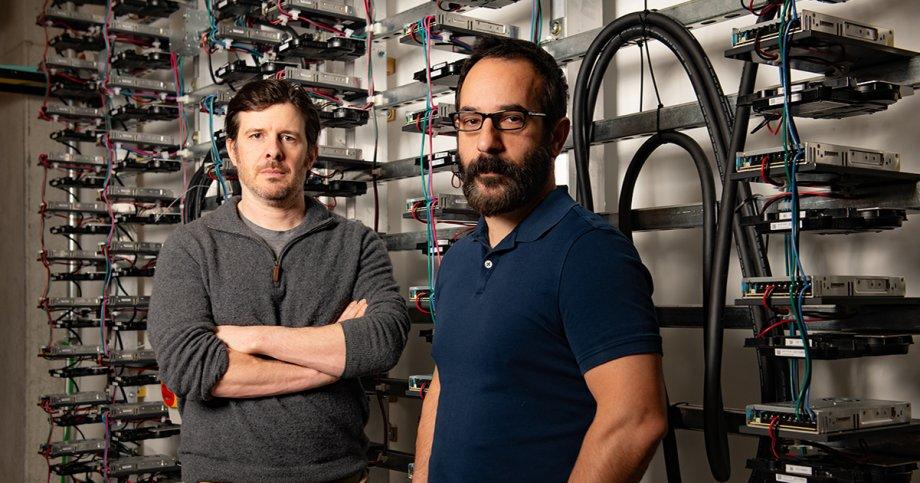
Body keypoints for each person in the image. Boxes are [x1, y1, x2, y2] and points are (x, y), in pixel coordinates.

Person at [413, 38, 667, 482]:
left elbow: (636, 419)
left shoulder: (589, 254)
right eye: (471, 121)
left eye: (511, 119)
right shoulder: (459, 258)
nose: (487, 142)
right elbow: (446, 385)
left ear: (557, 136)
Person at [148, 79, 409, 483]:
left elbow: (381, 341)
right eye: (256, 136)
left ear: (311, 154)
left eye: (288, 136)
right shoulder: (190, 247)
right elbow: (191, 367)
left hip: (337, 475)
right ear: (233, 150)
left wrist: (254, 338)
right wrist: (334, 358)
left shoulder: (356, 244)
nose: (273, 151)